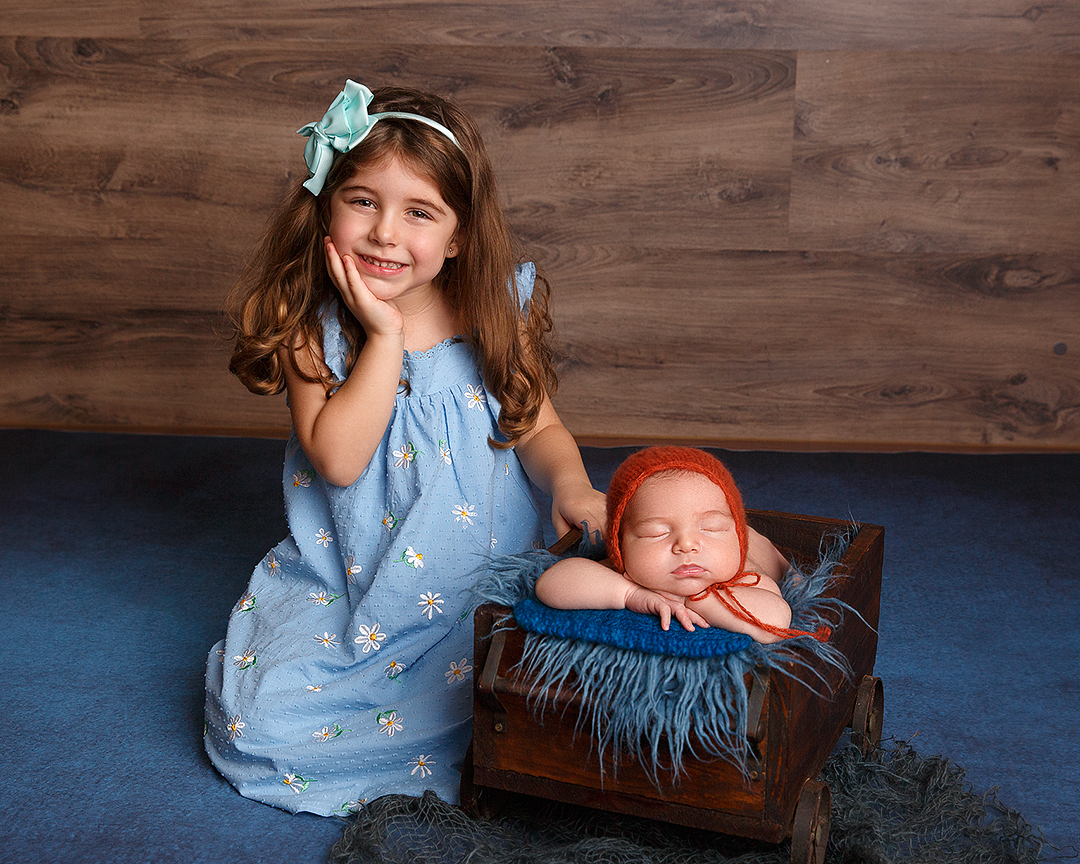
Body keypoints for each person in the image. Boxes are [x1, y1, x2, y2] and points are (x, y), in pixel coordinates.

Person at [204, 80, 606, 815]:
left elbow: (537, 427)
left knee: (540, 691)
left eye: (419, 212)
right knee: (256, 723)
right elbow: (339, 460)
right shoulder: (311, 327)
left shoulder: (492, 312)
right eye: (362, 201)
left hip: (479, 584)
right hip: (361, 584)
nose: (385, 233)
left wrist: (572, 485)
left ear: (458, 236)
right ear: (326, 207)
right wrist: (384, 338)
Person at [536, 446, 829, 644]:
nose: (687, 545)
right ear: (620, 546)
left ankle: (783, 564)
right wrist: (630, 594)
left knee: (768, 554)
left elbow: (774, 621)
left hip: (755, 546)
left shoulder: (746, 576)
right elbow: (551, 584)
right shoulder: (624, 571)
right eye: (656, 532)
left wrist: (693, 599)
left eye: (712, 528)